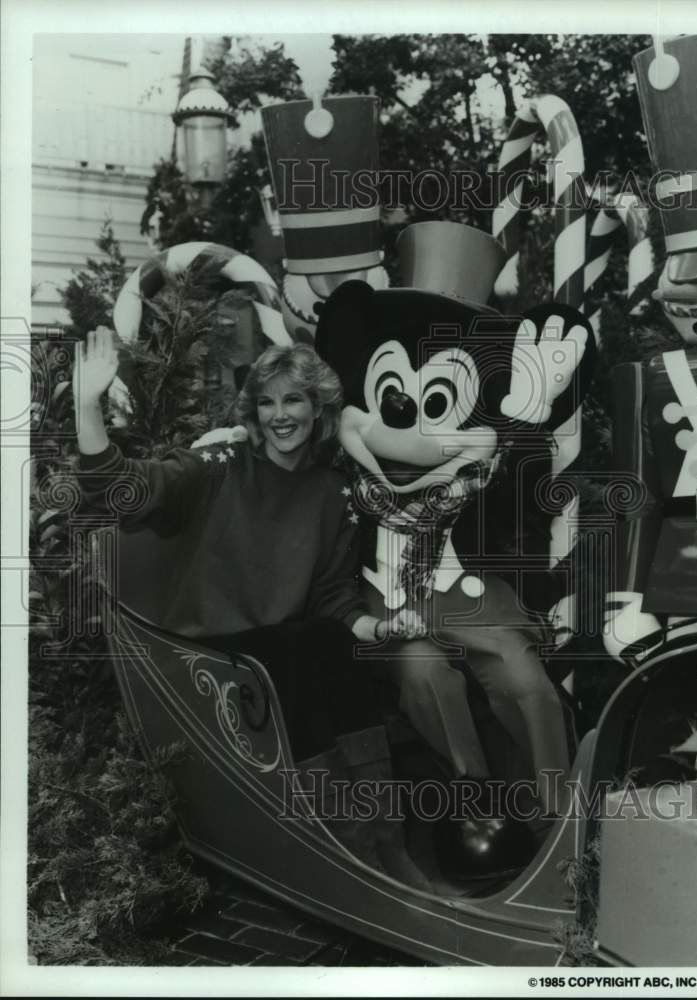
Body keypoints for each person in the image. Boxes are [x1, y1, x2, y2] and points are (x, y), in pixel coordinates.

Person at [74, 327, 430, 888]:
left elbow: (333, 597)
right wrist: (87, 407)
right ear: (254, 412)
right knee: (298, 645)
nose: (279, 415)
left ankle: (386, 840)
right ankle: (343, 847)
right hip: (205, 652)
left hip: (280, 652)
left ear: (318, 407)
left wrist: (377, 627)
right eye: (267, 402)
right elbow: (124, 490)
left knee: (330, 642)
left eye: (293, 400)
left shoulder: (331, 491)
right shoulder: (218, 465)